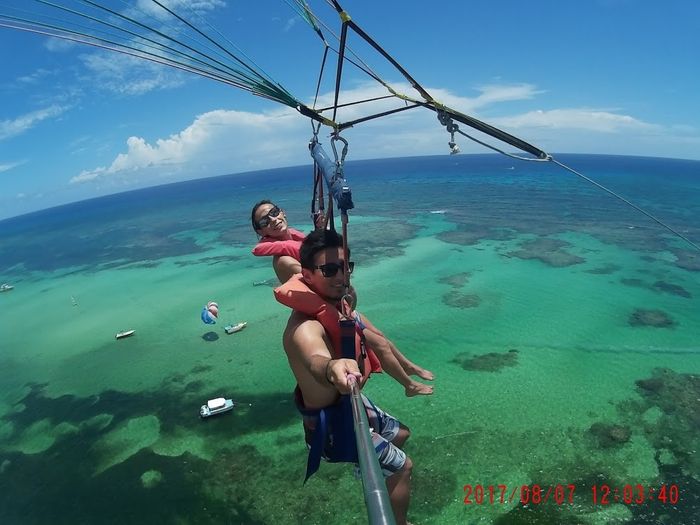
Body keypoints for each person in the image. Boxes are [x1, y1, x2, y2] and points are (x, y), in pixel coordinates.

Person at [281, 229, 414, 524]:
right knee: (403, 466)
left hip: (349, 405)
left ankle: (366, 469)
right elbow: (316, 357)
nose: (341, 276)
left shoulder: (334, 300)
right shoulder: (304, 328)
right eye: (330, 269)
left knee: (402, 433)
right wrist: (332, 368)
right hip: (331, 429)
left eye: (345, 267)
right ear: (307, 274)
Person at [251, 200, 434, 396]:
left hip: (335, 303)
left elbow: (314, 257)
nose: (273, 219)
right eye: (264, 221)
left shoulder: (295, 240)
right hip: (324, 311)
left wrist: (321, 232)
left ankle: (408, 366)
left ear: (282, 212)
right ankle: (409, 385)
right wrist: (343, 286)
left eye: (274, 212)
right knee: (379, 344)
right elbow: (316, 281)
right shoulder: (284, 260)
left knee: (379, 335)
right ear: (261, 232)